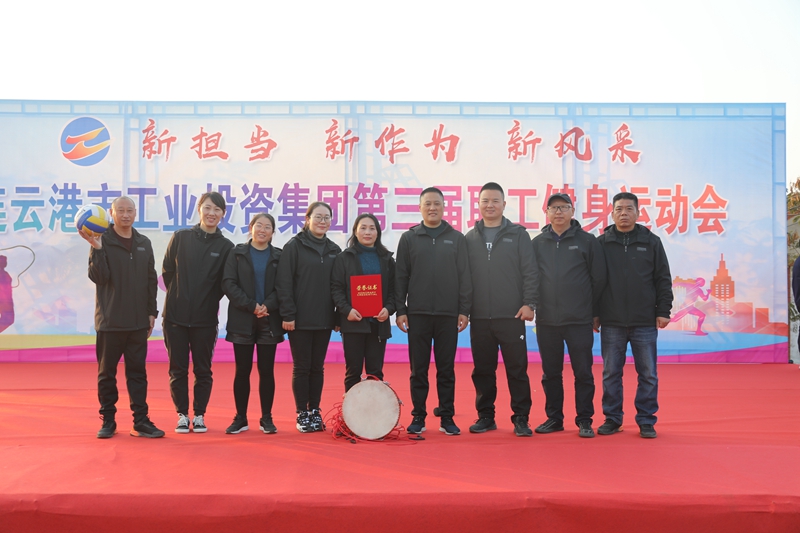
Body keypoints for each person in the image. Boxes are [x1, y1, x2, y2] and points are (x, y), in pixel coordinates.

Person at [81, 196, 164, 439]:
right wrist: (97, 249)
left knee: (138, 374)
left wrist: (151, 312)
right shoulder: (101, 239)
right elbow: (99, 278)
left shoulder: (143, 242)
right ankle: (108, 420)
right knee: (107, 374)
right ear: (112, 213)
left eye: (129, 210)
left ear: (135, 213)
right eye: (120, 210)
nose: (125, 215)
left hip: (138, 322)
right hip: (110, 320)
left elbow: (151, 279)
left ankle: (141, 421)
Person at [594, 192, 673, 439]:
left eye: (629, 209)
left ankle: (646, 420)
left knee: (648, 374)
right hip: (612, 320)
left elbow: (663, 278)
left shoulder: (651, 242)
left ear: (638, 213)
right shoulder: (601, 243)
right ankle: (612, 418)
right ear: (612, 213)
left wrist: (663, 311)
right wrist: (595, 313)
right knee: (611, 373)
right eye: (619, 209)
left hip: (644, 320)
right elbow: (594, 281)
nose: (624, 213)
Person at [395, 187, 472, 436]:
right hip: (417, 314)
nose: (432, 208)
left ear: (444, 207)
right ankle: (418, 416)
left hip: (448, 315)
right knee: (418, 369)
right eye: (427, 203)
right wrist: (401, 310)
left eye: (436, 203)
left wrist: (464, 310)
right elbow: (401, 277)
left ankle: (447, 416)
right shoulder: (409, 238)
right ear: (420, 207)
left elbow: (465, 277)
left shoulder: (457, 238)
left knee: (446, 369)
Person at [464, 182, 538, 437]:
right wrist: (464, 310)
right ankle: (486, 416)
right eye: (485, 201)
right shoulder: (470, 238)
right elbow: (464, 278)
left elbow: (530, 271)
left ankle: (521, 418)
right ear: (478, 204)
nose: (490, 205)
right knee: (483, 370)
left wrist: (529, 303)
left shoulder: (518, 235)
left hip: (512, 315)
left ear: (504, 204)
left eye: (495, 201)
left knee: (517, 369)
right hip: (480, 317)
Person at [531, 193, 606, 438]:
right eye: (553, 208)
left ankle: (585, 420)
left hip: (579, 320)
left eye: (563, 207)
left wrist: (593, 312)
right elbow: (531, 278)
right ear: (547, 213)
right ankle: (554, 418)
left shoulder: (587, 241)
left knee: (583, 372)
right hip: (547, 320)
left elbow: (598, 279)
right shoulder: (537, 243)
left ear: (572, 211)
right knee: (551, 373)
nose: (558, 212)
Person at [162, 191, 234, 434]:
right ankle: (182, 415)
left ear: (223, 214)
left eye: (217, 209)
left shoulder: (226, 247)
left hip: (205, 319)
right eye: (208, 207)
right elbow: (167, 271)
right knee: (178, 369)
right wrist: (179, 296)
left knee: (203, 370)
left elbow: (225, 283)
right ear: (199, 208)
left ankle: (200, 415)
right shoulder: (181, 237)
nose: (212, 213)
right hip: (175, 317)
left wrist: (206, 300)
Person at [276, 202, 341, 433]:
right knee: (302, 367)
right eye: (318, 217)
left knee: (318, 367)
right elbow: (283, 283)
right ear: (307, 218)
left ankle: (314, 410)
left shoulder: (334, 249)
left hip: (324, 319)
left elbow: (339, 286)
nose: (323, 221)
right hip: (300, 319)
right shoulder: (294, 246)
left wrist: (337, 317)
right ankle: (301, 412)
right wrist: (288, 314)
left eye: (327, 217)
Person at [221, 213, 284, 435]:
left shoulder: (279, 256)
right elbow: (228, 283)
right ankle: (240, 418)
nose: (262, 230)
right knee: (242, 370)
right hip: (242, 319)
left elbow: (284, 286)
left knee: (266, 371)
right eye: (259, 225)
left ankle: (266, 418)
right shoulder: (237, 253)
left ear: (273, 232)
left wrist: (267, 306)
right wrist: (251, 306)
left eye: (268, 227)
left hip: (269, 319)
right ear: (251, 227)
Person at [331, 213, 396, 392]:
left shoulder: (387, 259)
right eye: (363, 228)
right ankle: (351, 410)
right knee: (353, 372)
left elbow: (393, 290)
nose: (368, 232)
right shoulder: (344, 258)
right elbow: (336, 288)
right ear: (355, 231)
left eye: (372, 228)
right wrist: (347, 310)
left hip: (378, 324)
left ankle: (375, 410)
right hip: (353, 323)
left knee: (375, 373)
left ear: (378, 232)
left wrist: (388, 309)